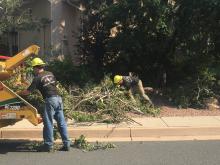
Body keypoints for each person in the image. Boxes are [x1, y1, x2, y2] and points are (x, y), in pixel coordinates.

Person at [20, 57, 70, 152]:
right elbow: (53, 85)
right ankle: (67, 144)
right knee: (61, 123)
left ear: (36, 67)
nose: (33, 70)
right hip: (58, 99)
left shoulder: (37, 78)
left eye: (33, 68)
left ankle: (48, 145)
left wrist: (18, 93)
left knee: (48, 123)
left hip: (50, 100)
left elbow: (28, 92)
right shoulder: (50, 74)